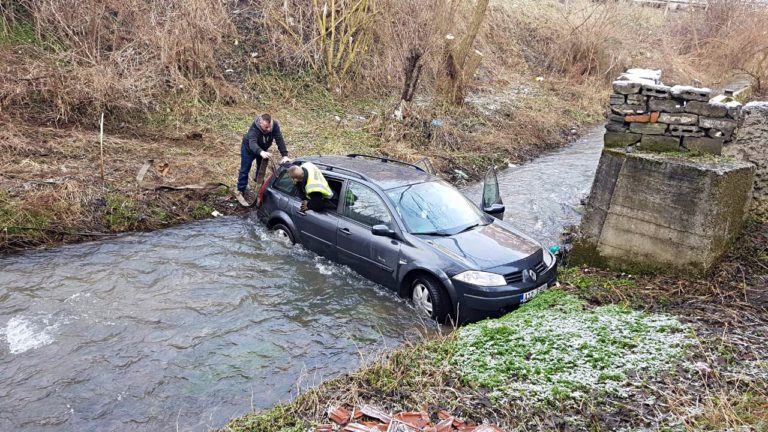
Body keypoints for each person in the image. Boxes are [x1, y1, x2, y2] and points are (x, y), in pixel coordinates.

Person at [235, 113, 291, 206]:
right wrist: (261, 152)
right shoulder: (254, 128)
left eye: (270, 126)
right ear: (260, 124)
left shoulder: (274, 125)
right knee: (245, 169)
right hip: (248, 149)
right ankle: (241, 189)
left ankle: (258, 185)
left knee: (261, 169)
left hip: (263, 149)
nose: (269, 129)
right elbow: (252, 143)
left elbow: (279, 139)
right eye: (266, 127)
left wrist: (284, 155)